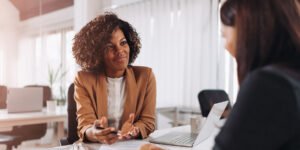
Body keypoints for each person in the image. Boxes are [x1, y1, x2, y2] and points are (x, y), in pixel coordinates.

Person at [140, 0, 300, 149]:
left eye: (224, 35)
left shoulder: (267, 85)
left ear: (249, 30)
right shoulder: (290, 77)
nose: (226, 46)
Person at [72, 12, 156, 144]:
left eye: (123, 43)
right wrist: (95, 133)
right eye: (110, 46)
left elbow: (148, 122)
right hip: (96, 147)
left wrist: (134, 130)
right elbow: (85, 126)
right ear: (97, 53)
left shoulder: (145, 77)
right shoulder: (84, 79)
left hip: (130, 146)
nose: (120, 51)